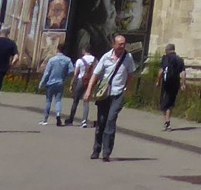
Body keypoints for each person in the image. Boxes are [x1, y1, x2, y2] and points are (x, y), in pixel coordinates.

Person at [85, 33, 135, 163]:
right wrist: (89, 91)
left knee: (111, 120)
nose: (122, 46)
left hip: (118, 94)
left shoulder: (128, 57)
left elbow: (131, 73)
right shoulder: (106, 57)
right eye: (120, 44)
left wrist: (127, 89)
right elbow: (95, 75)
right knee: (101, 121)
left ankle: (106, 152)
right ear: (114, 44)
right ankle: (96, 149)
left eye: (124, 44)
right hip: (104, 94)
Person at [40, 45, 74, 125]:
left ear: (57, 49)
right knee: (58, 100)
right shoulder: (67, 60)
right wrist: (65, 75)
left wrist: (42, 83)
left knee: (48, 100)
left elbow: (47, 73)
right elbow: (72, 70)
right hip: (60, 82)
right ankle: (58, 114)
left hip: (51, 82)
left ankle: (45, 119)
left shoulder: (52, 60)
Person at [156, 42, 185, 131]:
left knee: (164, 104)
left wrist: (158, 81)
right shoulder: (180, 59)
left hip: (166, 83)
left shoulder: (166, 58)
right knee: (171, 102)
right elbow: (183, 73)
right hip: (175, 83)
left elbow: (161, 71)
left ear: (167, 50)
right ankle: (167, 121)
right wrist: (183, 84)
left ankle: (167, 122)